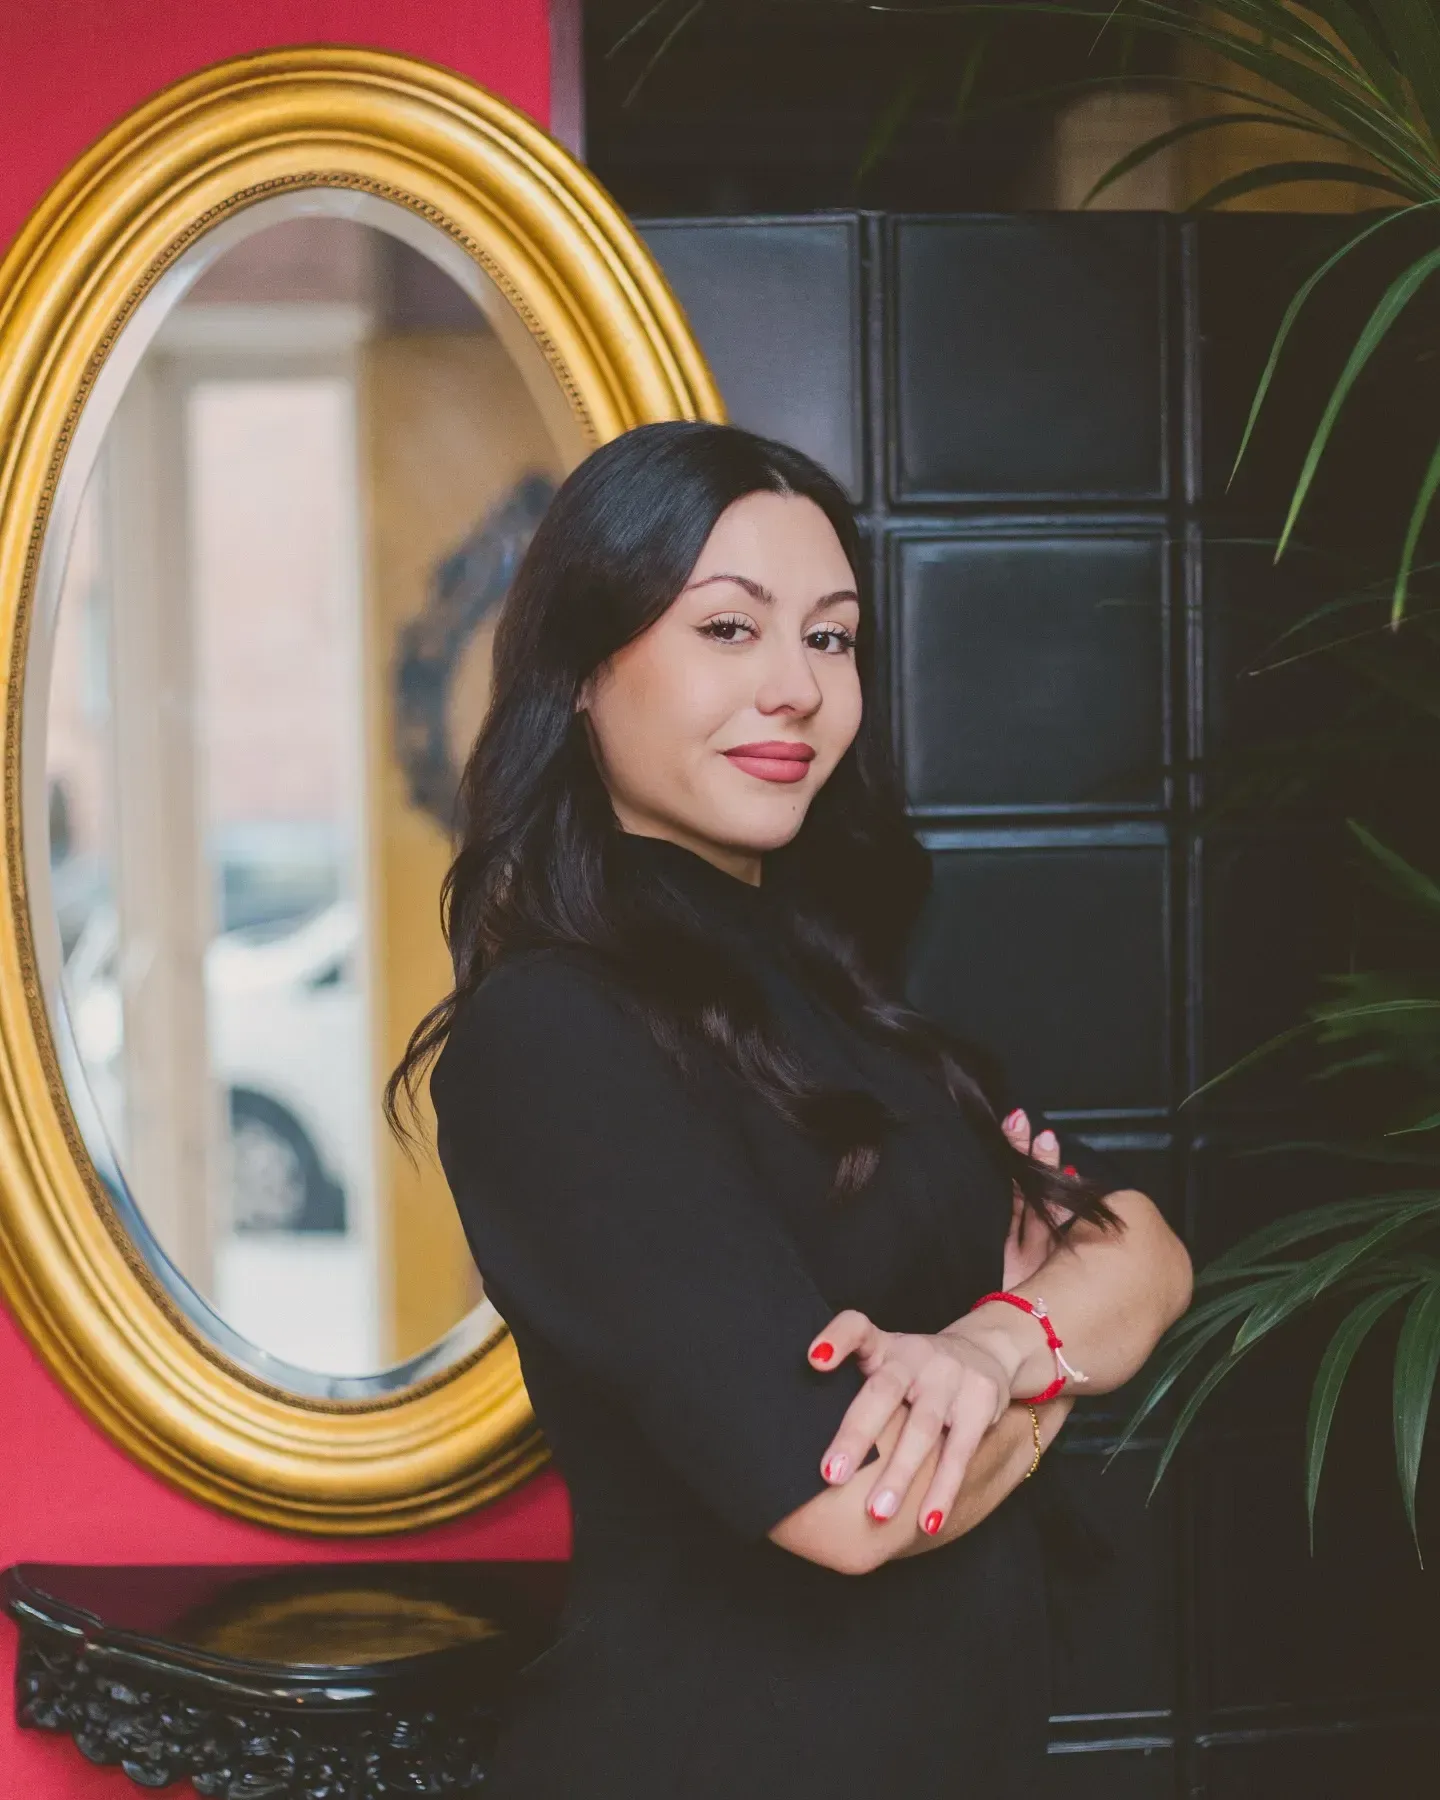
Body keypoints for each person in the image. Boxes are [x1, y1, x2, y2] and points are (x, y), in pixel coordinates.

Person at [388, 421, 1193, 1797]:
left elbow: (1147, 1248)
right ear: (585, 667)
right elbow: (853, 1510)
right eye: (729, 630)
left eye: (831, 639)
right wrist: (1058, 1373)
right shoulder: (552, 1033)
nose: (796, 690)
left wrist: (990, 1352)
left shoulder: (849, 995)